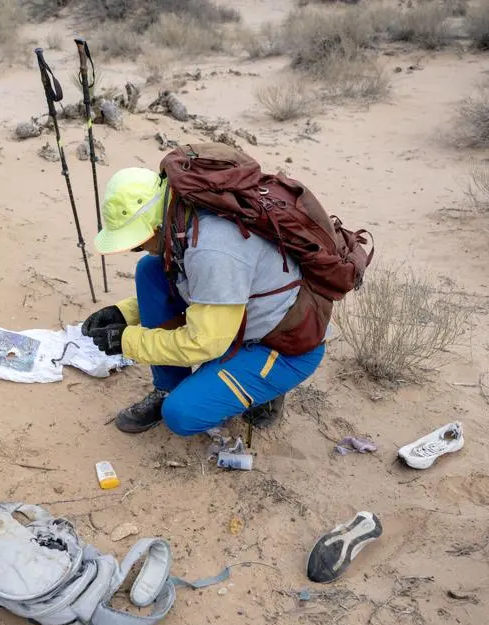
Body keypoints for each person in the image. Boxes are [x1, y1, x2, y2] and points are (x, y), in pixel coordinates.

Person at [81, 167, 326, 436]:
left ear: (156, 227)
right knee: (151, 269)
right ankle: (168, 385)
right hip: (237, 316)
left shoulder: (212, 248)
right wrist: (124, 314)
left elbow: (204, 343)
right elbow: (204, 290)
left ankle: (265, 389)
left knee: (182, 414)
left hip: (280, 347)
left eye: (136, 243)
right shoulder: (184, 215)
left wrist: (127, 341)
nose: (134, 249)